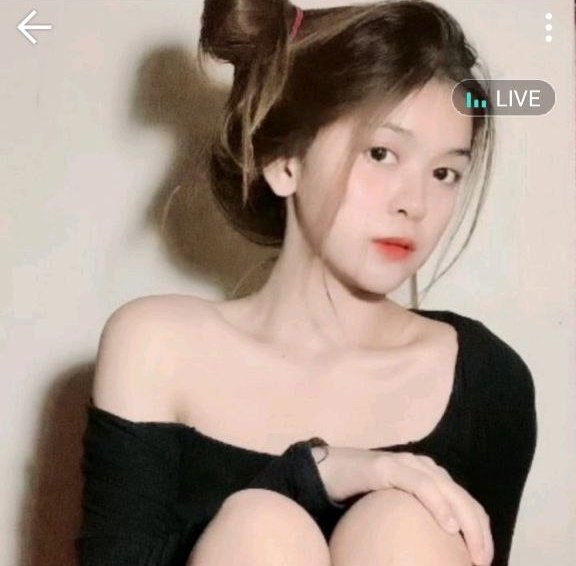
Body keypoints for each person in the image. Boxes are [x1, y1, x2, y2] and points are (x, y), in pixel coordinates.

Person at [75, 1, 537, 565]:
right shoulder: (157, 347)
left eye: (444, 173)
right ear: (284, 161)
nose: (414, 204)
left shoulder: (486, 381)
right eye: (381, 153)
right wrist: (310, 475)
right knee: (260, 527)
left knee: (402, 523)